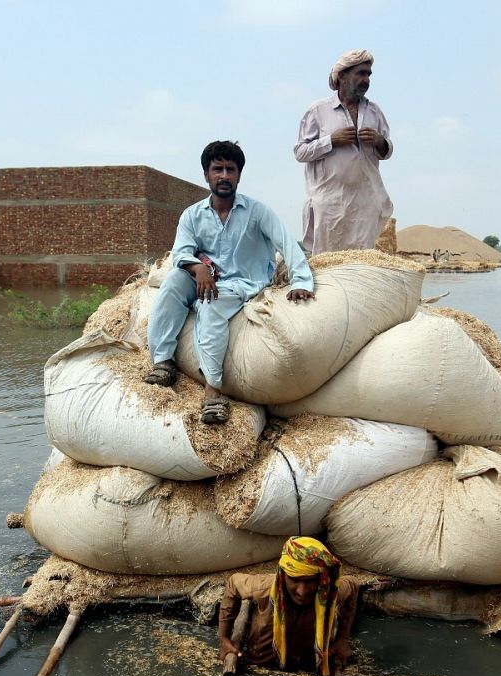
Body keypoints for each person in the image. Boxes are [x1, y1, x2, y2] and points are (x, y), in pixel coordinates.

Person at [144, 140, 314, 425]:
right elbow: (180, 252)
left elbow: (287, 244)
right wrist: (198, 268)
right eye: (217, 169)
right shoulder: (192, 214)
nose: (224, 175)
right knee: (173, 282)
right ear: (206, 175)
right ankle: (163, 362)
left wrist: (302, 282)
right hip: (204, 277)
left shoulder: (258, 212)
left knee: (209, 304)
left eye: (230, 170)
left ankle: (213, 391)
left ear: (238, 175)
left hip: (242, 283)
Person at [217, 536, 357, 676]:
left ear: (321, 579)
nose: (301, 591)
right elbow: (233, 583)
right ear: (283, 576)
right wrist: (224, 639)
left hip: (307, 672)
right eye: (294, 580)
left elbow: (353, 585)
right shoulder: (264, 588)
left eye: (310, 581)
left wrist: (342, 639)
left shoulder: (329, 594)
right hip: (258, 665)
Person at [294, 49, 394, 254]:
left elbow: (387, 150)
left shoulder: (374, 111)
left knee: (363, 263)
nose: (366, 79)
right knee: (327, 263)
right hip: (330, 204)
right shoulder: (318, 110)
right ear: (342, 76)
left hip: (366, 201)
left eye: (368, 74)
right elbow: (300, 152)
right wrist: (331, 141)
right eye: (361, 73)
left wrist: (379, 141)